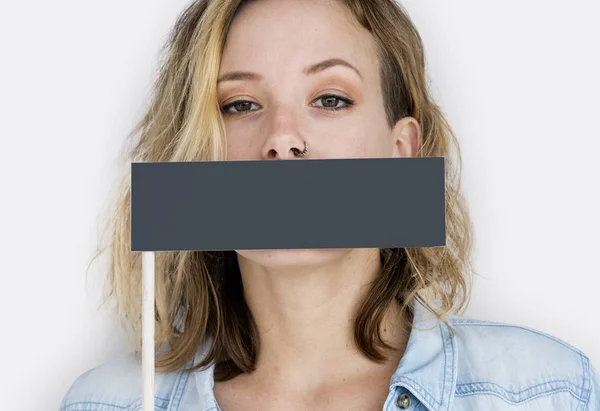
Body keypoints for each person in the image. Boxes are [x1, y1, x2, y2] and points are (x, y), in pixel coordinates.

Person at [59, 0, 600, 410]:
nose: (283, 138)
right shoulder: (105, 402)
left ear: (401, 152)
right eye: (240, 104)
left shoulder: (546, 392)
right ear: (196, 154)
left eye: (331, 99)